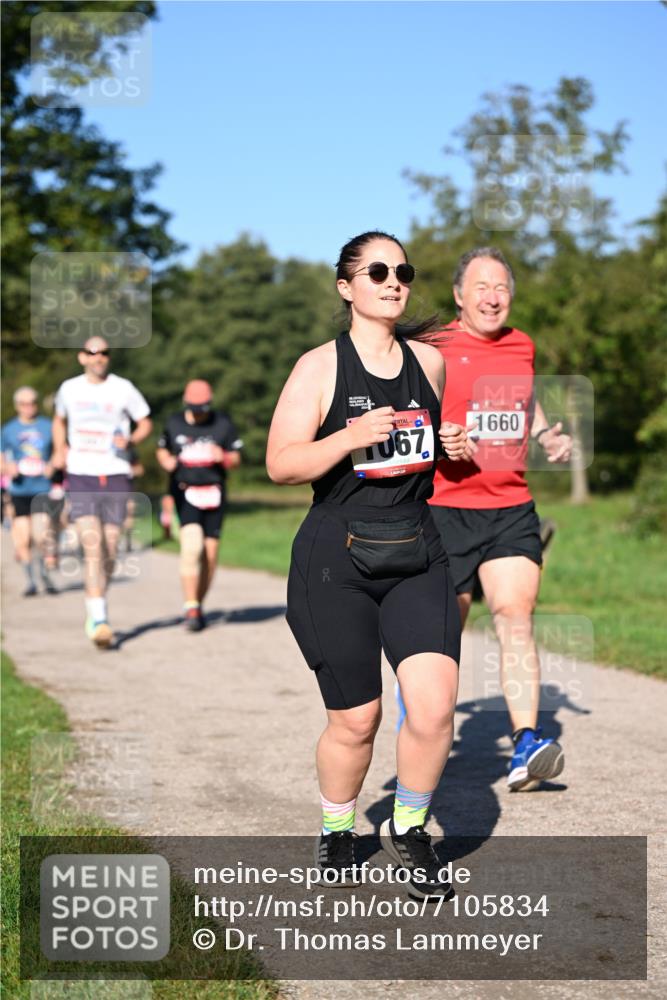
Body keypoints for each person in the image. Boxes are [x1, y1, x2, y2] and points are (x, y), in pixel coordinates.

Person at [266, 231, 471, 899]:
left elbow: (431, 460)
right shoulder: (319, 367)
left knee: (433, 709)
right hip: (336, 558)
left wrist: (452, 447)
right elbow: (280, 464)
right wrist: (349, 437)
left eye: (402, 272)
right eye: (377, 271)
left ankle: (409, 829)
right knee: (356, 720)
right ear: (345, 287)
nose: (393, 282)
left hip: (417, 549)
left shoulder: (429, 363)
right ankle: (337, 828)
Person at [427, 247, 572, 791]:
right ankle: (423, 727)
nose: (492, 297)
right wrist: (440, 434)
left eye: (502, 288)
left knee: (516, 618)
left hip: (510, 506)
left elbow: (521, 403)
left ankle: (526, 743)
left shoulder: (521, 345)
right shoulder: (433, 346)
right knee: (444, 633)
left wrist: (546, 434)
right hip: (444, 509)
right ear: (458, 296)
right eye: (481, 287)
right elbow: (409, 412)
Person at [52, 337, 152, 648]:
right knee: (93, 545)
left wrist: (132, 440)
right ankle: (99, 618)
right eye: (92, 353)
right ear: (82, 357)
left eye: (104, 353)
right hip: (81, 474)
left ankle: (98, 600)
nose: (98, 357)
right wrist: (59, 449)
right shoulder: (69, 388)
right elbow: (59, 420)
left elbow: (145, 423)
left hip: (116, 473)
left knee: (110, 547)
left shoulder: (123, 388)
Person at [156, 379, 242, 632]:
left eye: (202, 408)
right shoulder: (174, 423)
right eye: (194, 408)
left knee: (210, 555)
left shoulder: (223, 423)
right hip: (184, 491)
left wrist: (224, 457)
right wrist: (166, 461)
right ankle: (191, 606)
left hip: (214, 492)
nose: (198, 413)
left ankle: (198, 604)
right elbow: (162, 449)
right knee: (192, 546)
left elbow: (236, 458)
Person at [1, 387, 59, 595]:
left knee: (41, 536)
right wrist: (7, 468)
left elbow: (60, 451)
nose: (29, 407)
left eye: (32, 402)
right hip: (19, 490)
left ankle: (44, 574)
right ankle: (31, 581)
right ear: (17, 406)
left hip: (42, 488)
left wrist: (53, 465)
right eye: (24, 404)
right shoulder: (8, 429)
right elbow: (1, 459)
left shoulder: (48, 426)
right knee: (23, 538)